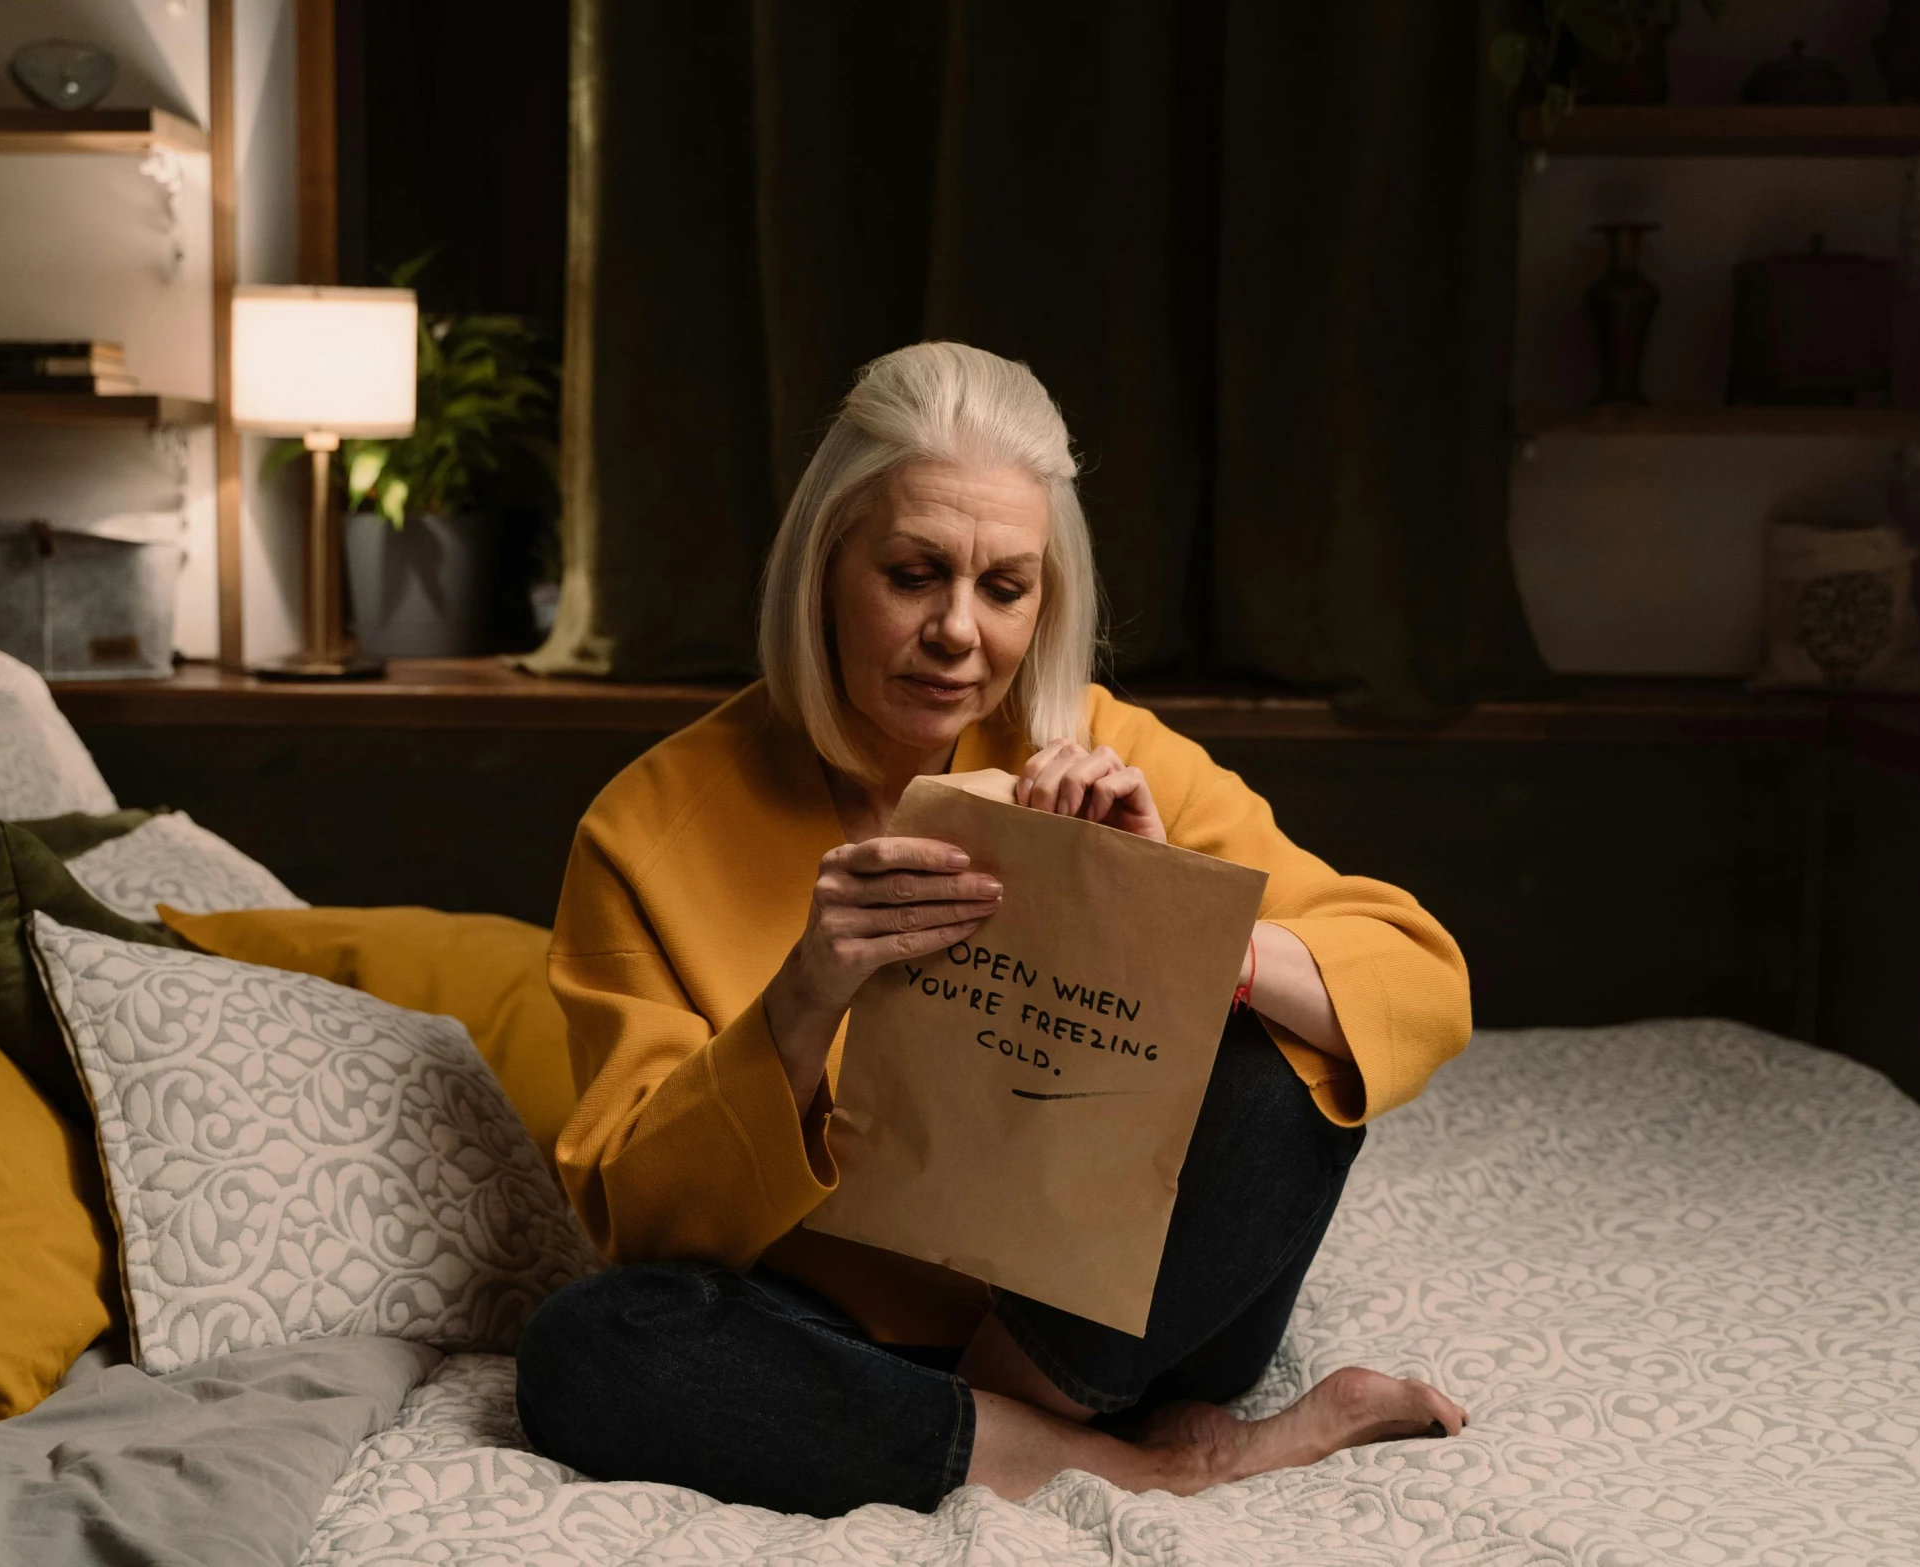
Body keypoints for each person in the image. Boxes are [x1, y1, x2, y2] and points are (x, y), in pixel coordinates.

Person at [516, 341, 1472, 1518]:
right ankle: (1146, 1463)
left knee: (1293, 1062)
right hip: (833, 1337)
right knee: (587, 1346)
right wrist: (803, 994)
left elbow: (1419, 979)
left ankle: (985, 1429)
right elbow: (638, 1221)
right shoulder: (644, 827)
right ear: (823, 568)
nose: (957, 632)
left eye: (1002, 588)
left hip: (1121, 1327)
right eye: (913, 573)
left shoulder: (1103, 741)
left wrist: (1173, 922)